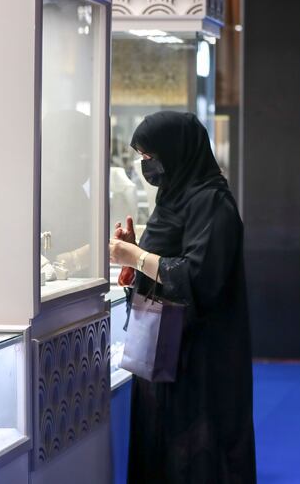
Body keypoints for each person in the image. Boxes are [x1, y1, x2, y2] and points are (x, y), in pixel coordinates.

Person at [108, 112, 257, 483]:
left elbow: (198, 278)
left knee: (197, 459)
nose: (147, 166)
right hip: (163, 355)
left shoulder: (213, 203)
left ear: (177, 152)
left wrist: (136, 257)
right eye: (142, 158)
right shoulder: (173, 198)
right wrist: (136, 259)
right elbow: (166, 261)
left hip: (201, 362)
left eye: (150, 157)